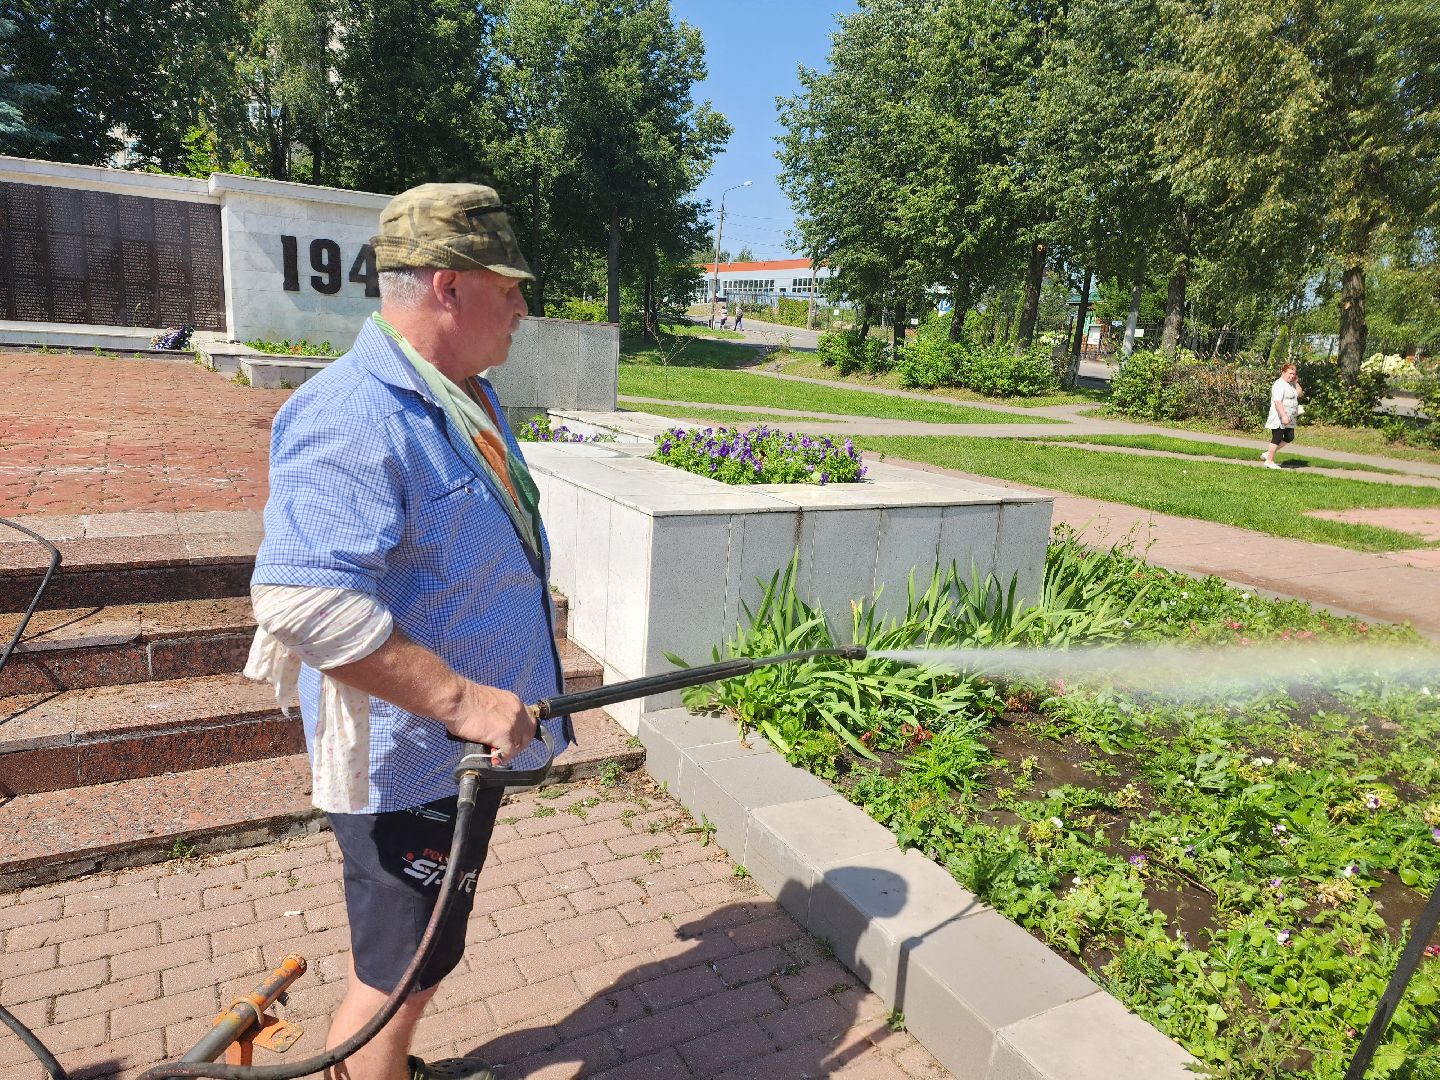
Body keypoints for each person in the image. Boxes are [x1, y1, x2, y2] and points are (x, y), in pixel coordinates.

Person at [244, 182, 571, 1080]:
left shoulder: (462, 393)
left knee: (423, 956)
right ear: (447, 285)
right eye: (508, 284)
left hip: (463, 754)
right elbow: (303, 599)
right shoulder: (355, 413)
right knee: (400, 971)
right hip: (411, 766)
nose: (522, 305)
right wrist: (464, 700)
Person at [1262, 361, 1302, 469]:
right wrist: (1283, 416)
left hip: (1290, 417)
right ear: (1283, 372)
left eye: (1293, 374)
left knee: (1289, 437)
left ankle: (1268, 453)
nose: (1292, 376)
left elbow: (1299, 394)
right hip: (1280, 416)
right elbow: (1277, 401)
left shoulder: (1291, 384)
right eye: (1290, 373)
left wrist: (1296, 382)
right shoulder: (1279, 384)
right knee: (1277, 437)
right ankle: (1269, 461)